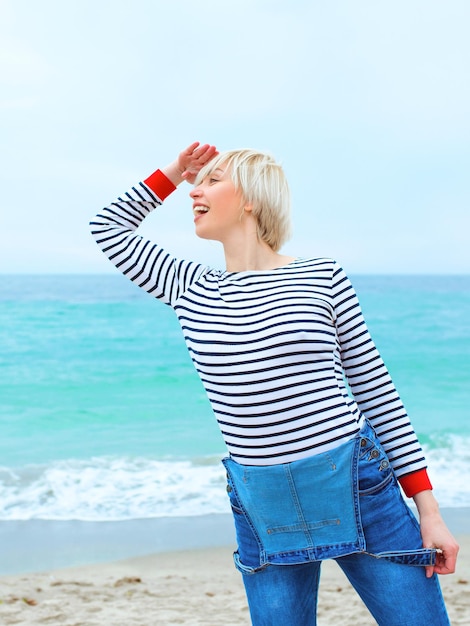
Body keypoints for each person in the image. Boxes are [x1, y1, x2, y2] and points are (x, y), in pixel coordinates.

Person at [90, 142, 459, 625]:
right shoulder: (190, 285)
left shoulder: (322, 275)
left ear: (251, 198)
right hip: (262, 503)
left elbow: (377, 393)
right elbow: (108, 228)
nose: (194, 193)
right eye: (195, 184)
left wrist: (428, 512)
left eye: (212, 181)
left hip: (357, 485)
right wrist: (176, 171)